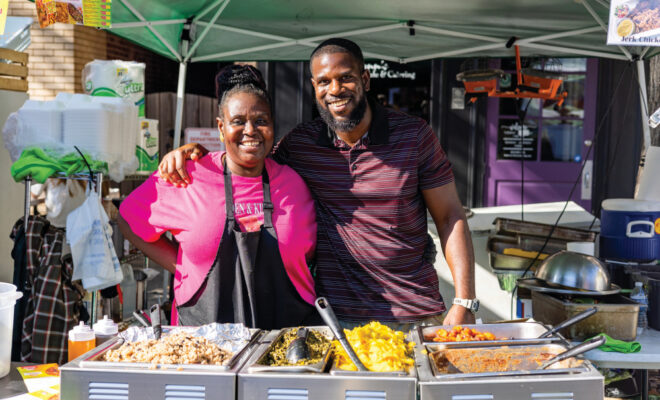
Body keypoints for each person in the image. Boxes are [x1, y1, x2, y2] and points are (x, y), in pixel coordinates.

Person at [160, 39, 477, 329]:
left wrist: (464, 301)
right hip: (334, 320)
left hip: (416, 313)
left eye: (346, 77)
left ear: (364, 80)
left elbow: (450, 216)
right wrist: (194, 155)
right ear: (314, 88)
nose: (336, 89)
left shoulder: (414, 136)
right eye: (324, 81)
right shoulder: (300, 145)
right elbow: (247, 153)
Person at [118, 65, 318, 329]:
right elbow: (128, 219)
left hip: (288, 343)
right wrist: (180, 265)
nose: (251, 130)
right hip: (204, 349)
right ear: (221, 128)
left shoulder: (295, 183)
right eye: (238, 121)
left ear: (272, 123)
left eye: (261, 120)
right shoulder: (186, 176)